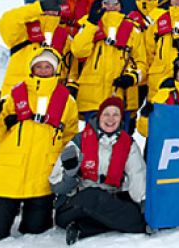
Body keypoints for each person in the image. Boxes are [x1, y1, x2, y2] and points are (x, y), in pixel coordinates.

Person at [0, 48, 79, 242]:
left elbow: (69, 138)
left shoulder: (67, 102)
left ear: (55, 69)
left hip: (41, 182)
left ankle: (21, 211)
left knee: (36, 233)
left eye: (48, 66)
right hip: (9, 179)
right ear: (31, 68)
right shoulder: (13, 96)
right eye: (39, 66)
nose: (43, 70)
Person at [50, 96, 146, 245]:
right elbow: (55, 184)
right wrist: (70, 174)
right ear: (99, 116)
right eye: (106, 114)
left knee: (130, 210)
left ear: (121, 119)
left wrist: (144, 205)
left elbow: (137, 175)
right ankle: (137, 225)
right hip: (76, 203)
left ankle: (84, 228)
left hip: (108, 200)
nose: (110, 119)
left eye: (115, 114)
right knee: (93, 196)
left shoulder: (128, 145)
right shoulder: (80, 140)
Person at [71, 0, 147, 133]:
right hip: (92, 97)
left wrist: (132, 77)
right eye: (107, 2)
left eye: (114, 2)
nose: (111, 6)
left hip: (121, 95)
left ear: (120, 7)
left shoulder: (133, 30)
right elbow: (78, 51)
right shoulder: (88, 24)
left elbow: (142, 63)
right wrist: (92, 23)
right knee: (91, 144)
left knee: (119, 146)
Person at [0, 0, 76, 95]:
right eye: (47, 6)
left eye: (53, 7)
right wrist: (38, 7)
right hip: (16, 95)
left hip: (48, 96)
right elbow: (6, 21)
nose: (50, 11)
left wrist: (71, 85)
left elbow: (73, 66)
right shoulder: (23, 31)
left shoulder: (64, 38)